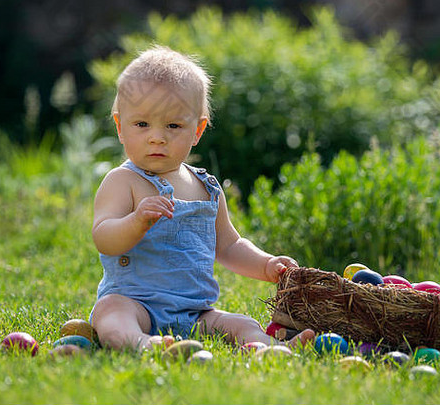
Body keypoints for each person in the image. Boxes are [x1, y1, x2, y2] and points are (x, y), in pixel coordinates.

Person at [89, 45, 315, 351]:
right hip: (134, 303)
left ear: (197, 130)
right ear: (119, 126)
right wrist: (136, 221)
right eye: (142, 124)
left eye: (173, 125)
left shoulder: (206, 187)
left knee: (241, 323)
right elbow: (104, 237)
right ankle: (142, 343)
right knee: (111, 315)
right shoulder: (123, 181)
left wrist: (266, 265)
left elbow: (229, 245)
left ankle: (266, 346)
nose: (157, 136)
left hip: (195, 313)